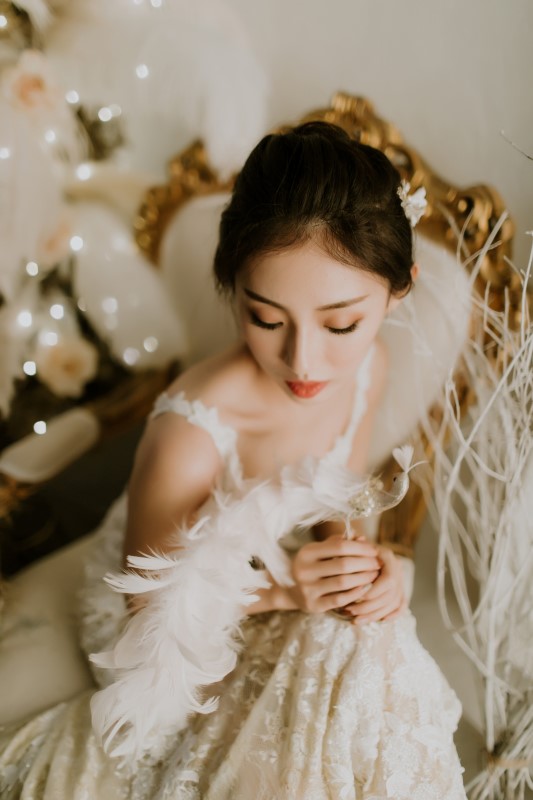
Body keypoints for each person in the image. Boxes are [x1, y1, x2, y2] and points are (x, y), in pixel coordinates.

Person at [0, 122, 466, 799]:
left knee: (372, 641)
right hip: (155, 613)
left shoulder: (370, 368)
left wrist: (363, 570)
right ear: (234, 289)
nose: (304, 361)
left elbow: (337, 500)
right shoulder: (192, 424)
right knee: (343, 653)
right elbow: (149, 613)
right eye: (267, 319)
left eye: (341, 324)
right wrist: (287, 594)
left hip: (270, 570)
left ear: (398, 292)